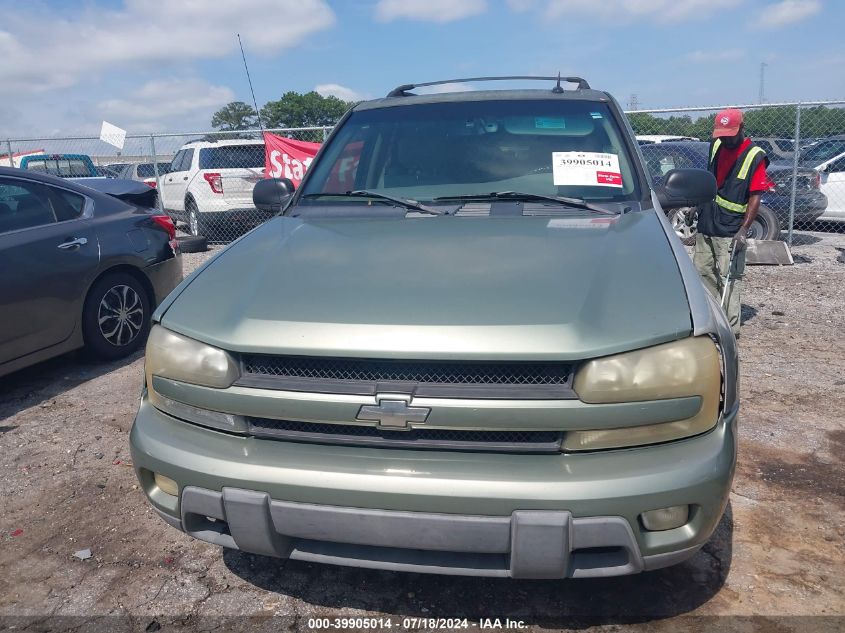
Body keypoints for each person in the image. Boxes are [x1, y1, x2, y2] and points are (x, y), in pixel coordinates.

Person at [693, 108, 773, 338]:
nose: (726, 139)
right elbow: (709, 178)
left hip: (731, 227)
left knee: (729, 278)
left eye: (730, 134)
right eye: (722, 134)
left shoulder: (754, 156)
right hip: (707, 220)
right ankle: (709, 320)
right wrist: (696, 204)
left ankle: (729, 329)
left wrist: (744, 230)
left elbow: (755, 196)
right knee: (702, 272)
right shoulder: (716, 145)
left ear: (741, 128)